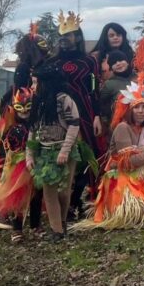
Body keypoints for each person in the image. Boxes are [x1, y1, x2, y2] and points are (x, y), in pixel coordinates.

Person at [76, 77, 144, 230]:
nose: (141, 111)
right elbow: (128, 163)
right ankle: (119, 210)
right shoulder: (123, 128)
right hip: (121, 180)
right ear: (129, 109)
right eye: (137, 107)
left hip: (141, 176)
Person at [52, 11, 105, 220]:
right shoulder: (53, 61)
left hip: (85, 111)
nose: (64, 39)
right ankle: (60, 203)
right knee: (61, 155)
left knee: (87, 156)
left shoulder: (89, 62)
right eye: (61, 36)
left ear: (78, 36)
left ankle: (81, 199)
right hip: (59, 115)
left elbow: (94, 90)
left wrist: (97, 116)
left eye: (69, 35)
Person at [26, 64, 81, 241]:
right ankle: (56, 229)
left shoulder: (64, 100)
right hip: (45, 151)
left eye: (35, 83)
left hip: (66, 150)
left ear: (46, 83)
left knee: (64, 191)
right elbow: (32, 130)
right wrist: (30, 154)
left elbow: (74, 124)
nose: (32, 87)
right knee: (49, 191)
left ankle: (63, 222)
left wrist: (65, 150)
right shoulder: (37, 102)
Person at [0, 88, 42, 241]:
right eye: (20, 108)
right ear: (14, 109)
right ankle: (17, 229)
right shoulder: (10, 128)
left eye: (27, 107)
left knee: (36, 196)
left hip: (35, 164)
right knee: (18, 199)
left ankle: (35, 225)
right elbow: (3, 150)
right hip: (16, 167)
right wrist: (2, 168)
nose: (24, 112)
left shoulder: (35, 126)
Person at [98, 49, 134, 129]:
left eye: (120, 60)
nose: (118, 63)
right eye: (114, 62)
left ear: (127, 61)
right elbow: (101, 104)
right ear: (111, 68)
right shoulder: (109, 84)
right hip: (119, 125)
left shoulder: (139, 78)